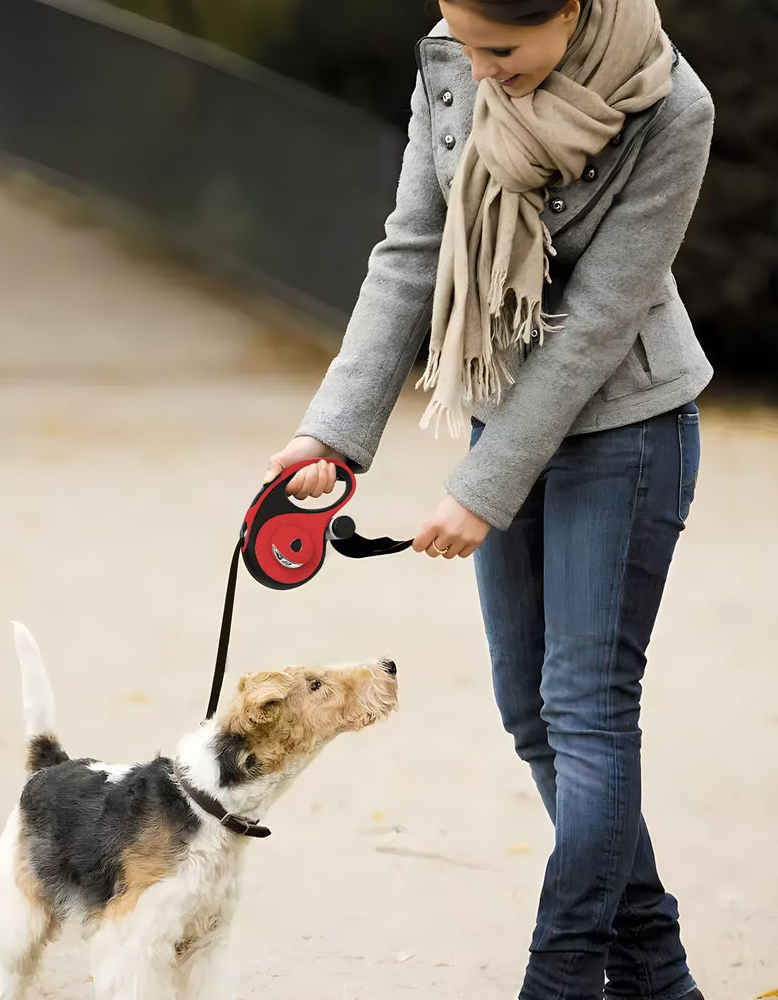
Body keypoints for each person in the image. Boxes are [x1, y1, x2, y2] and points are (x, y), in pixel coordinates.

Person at [263, 0, 714, 998]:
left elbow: (600, 318)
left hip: (627, 429)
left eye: (499, 50)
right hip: (501, 401)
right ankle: (656, 974)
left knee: (584, 713)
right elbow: (412, 252)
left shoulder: (670, 104)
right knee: (531, 715)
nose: (477, 67)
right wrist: (333, 430)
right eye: (461, 43)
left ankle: (556, 982)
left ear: (571, 10)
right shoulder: (451, 62)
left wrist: (481, 485)